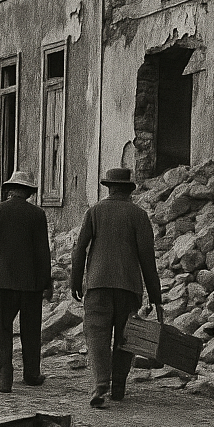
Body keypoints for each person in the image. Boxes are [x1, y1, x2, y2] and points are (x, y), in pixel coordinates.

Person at [71, 166, 163, 408]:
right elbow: (147, 257)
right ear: (129, 190)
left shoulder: (94, 212)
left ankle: (101, 384)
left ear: (109, 188)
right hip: (129, 287)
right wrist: (156, 295)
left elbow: (79, 248)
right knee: (124, 338)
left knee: (97, 336)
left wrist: (75, 281)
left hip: (98, 285)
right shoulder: (139, 215)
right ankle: (119, 387)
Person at [0, 170, 51, 393]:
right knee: (31, 330)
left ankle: (4, 378)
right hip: (30, 283)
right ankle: (31, 373)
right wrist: (46, 282)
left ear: (10, 190)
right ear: (29, 192)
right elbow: (42, 253)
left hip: (0, 282)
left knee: (1, 330)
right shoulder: (37, 215)